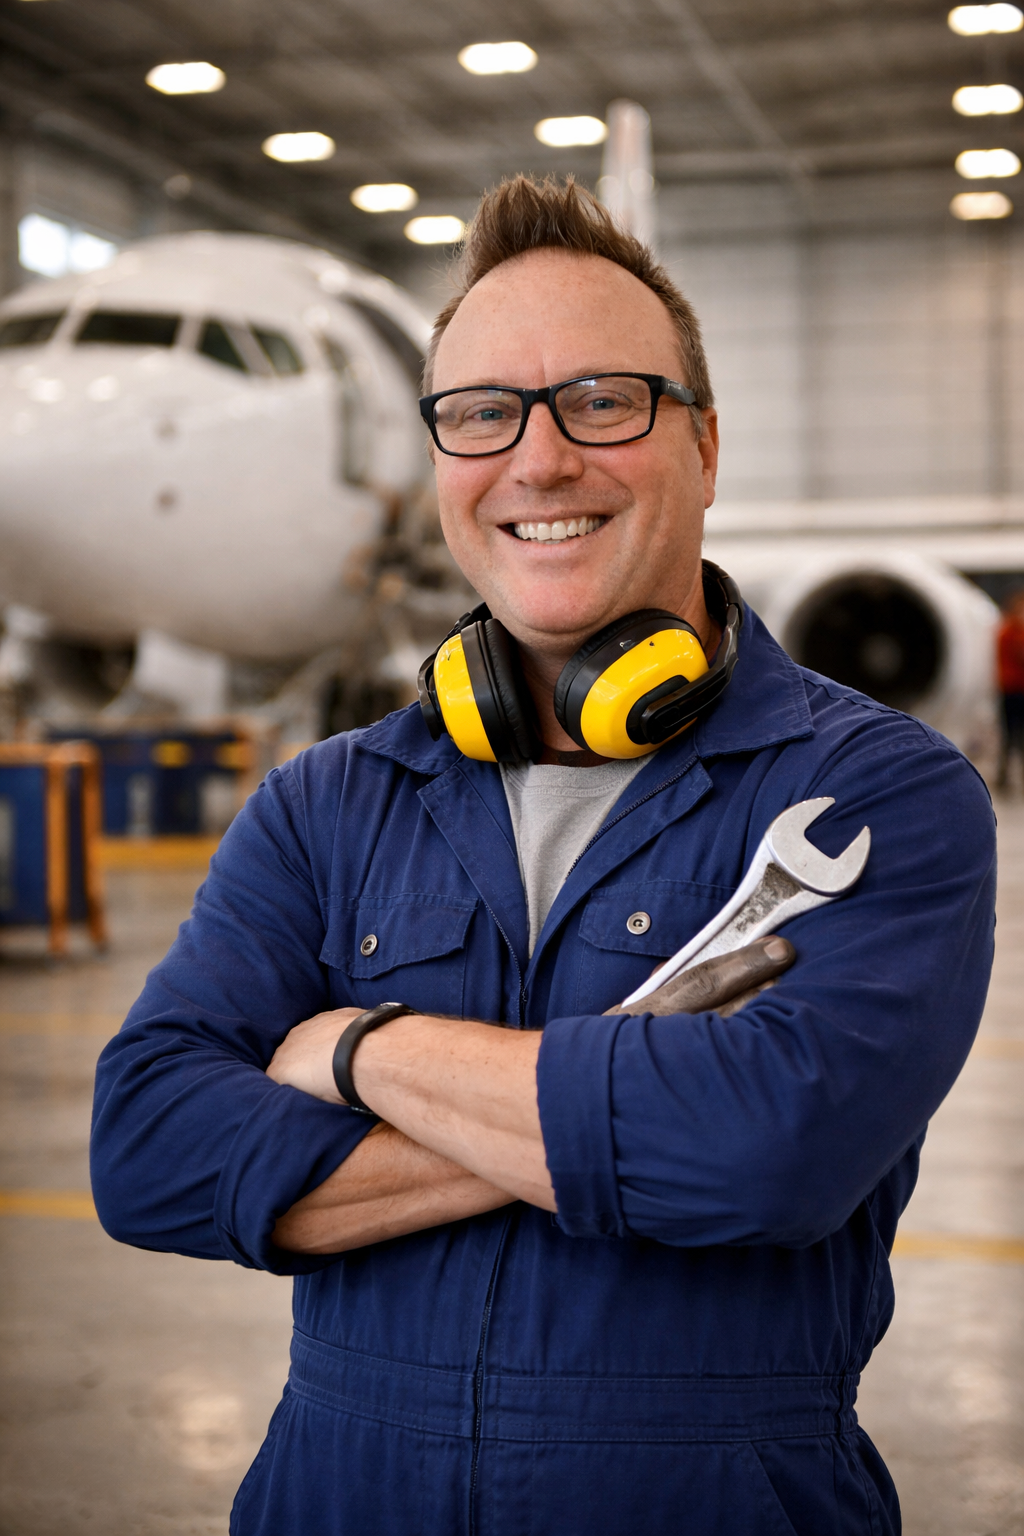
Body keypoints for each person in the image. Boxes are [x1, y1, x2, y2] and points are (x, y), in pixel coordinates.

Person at [91, 176, 996, 1536]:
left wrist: (356, 1047)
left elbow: (770, 1153)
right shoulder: (328, 799)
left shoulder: (876, 789)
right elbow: (148, 1147)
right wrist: (629, 1110)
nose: (538, 460)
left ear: (706, 446)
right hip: (335, 1497)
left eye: (603, 401)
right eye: (483, 413)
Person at [995, 588, 1024, 791]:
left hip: (1014, 689)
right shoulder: (1009, 632)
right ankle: (1004, 776)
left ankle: (1005, 776)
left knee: (1012, 736)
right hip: (1012, 689)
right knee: (1011, 735)